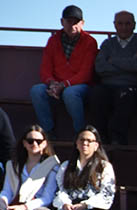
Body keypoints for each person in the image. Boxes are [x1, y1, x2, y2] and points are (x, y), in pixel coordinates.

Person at [30, 5, 97, 135]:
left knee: (70, 94)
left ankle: (81, 133)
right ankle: (47, 133)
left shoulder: (90, 42)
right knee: (36, 91)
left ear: (82, 23)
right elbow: (45, 69)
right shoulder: (53, 40)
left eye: (76, 22)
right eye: (68, 21)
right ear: (62, 22)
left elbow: (86, 74)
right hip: (57, 85)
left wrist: (64, 85)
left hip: (79, 86)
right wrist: (52, 83)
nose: (72, 25)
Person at [90, 10, 137, 146]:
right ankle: (100, 137)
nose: (124, 27)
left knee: (125, 96)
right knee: (96, 94)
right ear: (114, 25)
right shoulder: (107, 44)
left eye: (127, 24)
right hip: (108, 86)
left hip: (132, 87)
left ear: (134, 25)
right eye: (120, 23)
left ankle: (118, 139)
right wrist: (128, 64)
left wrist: (113, 60)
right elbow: (100, 67)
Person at [1, 125, 60, 210]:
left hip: (35, 207)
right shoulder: (13, 165)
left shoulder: (52, 166)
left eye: (38, 141)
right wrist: (3, 202)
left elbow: (47, 198)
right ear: (24, 143)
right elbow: (7, 191)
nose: (34, 144)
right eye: (30, 141)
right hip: (12, 204)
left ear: (45, 143)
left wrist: (24, 207)